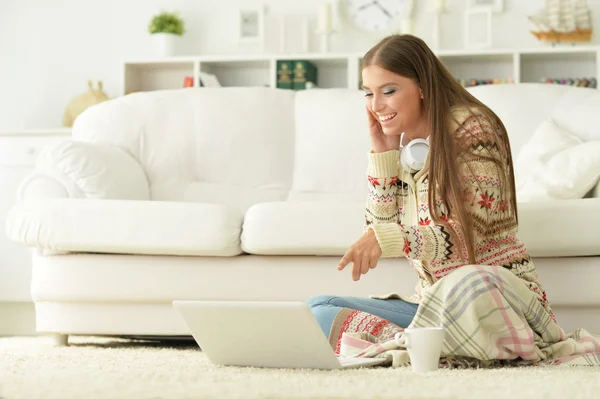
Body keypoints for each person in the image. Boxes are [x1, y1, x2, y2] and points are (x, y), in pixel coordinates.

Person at [307, 34, 554, 344]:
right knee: (318, 310)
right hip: (435, 308)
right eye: (368, 93)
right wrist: (383, 156)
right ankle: (418, 344)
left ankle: (407, 345)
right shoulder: (409, 148)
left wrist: (386, 238)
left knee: (471, 281)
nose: (376, 105)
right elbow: (378, 228)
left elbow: (466, 238)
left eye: (389, 91)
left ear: (422, 86)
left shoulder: (473, 129)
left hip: (496, 304)